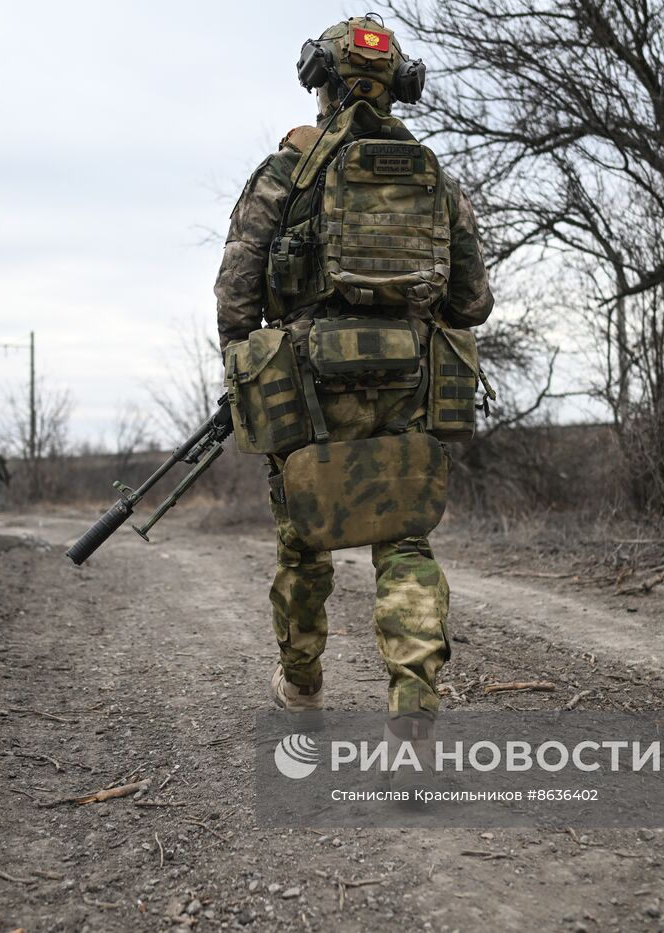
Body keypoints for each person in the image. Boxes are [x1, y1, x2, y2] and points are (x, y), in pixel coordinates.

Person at [215, 15, 492, 785]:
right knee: (404, 543)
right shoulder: (432, 173)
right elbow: (471, 302)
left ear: (321, 81)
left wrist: (260, 353)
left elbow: (236, 301)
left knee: (304, 538)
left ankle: (302, 690)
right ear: (398, 83)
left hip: (311, 384)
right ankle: (413, 707)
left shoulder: (288, 171)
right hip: (406, 384)